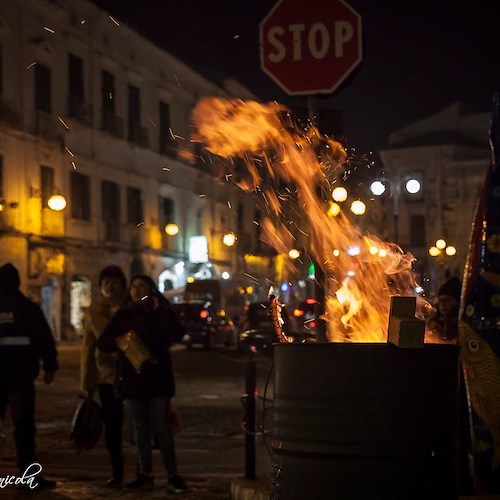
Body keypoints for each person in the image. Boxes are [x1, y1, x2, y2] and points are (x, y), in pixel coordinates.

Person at [97, 274, 187, 493]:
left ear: (151, 289)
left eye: (142, 286)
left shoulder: (161, 311)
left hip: (158, 379)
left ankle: (173, 475)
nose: (137, 290)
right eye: (134, 287)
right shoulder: (124, 314)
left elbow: (177, 334)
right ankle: (144, 474)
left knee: (162, 427)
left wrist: (159, 311)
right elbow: (104, 342)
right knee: (140, 430)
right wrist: (125, 343)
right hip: (132, 380)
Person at [0, 263, 58, 490]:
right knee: (24, 427)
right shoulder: (28, 308)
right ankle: (28, 475)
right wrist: (50, 365)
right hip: (21, 376)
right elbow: (44, 338)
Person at [80, 265, 127, 486]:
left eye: (114, 281)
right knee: (112, 425)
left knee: (139, 424)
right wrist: (87, 383)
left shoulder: (130, 309)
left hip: (133, 374)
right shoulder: (94, 313)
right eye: (105, 282)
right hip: (106, 376)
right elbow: (88, 349)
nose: (110, 285)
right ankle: (117, 471)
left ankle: (143, 471)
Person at [429, 276, 462, 342]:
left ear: (457, 301)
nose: (443, 304)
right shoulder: (434, 323)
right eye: (441, 300)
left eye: (447, 300)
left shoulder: (461, 326)